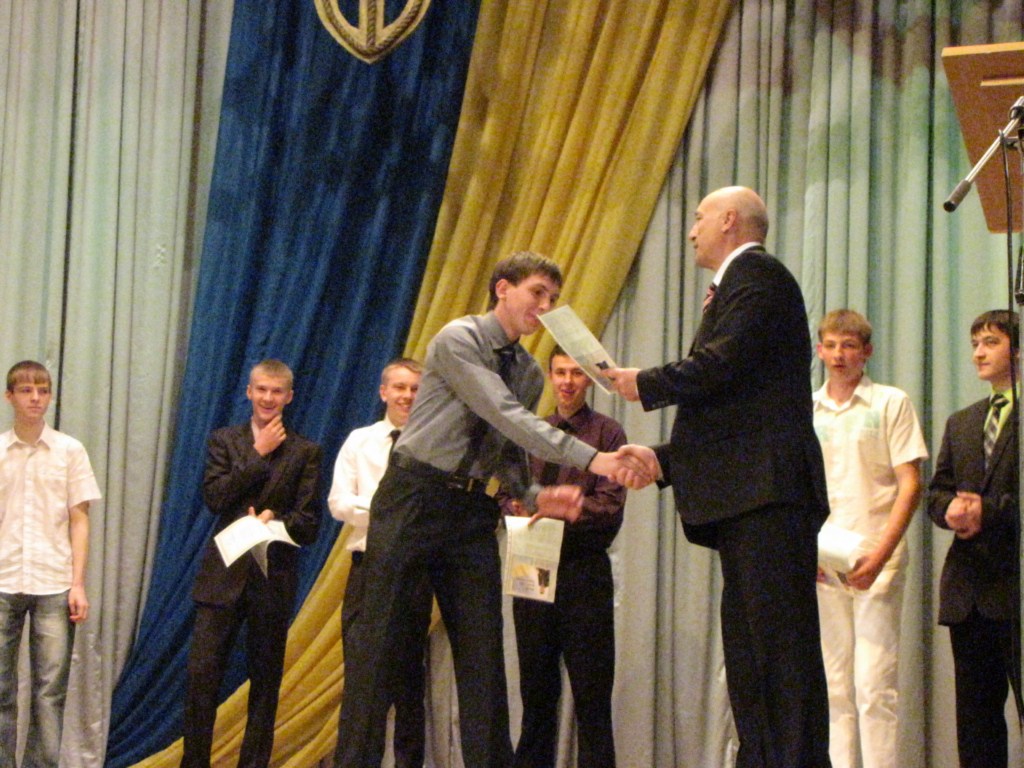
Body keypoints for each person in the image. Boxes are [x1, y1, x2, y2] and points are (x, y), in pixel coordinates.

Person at [334, 251, 655, 768]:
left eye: (553, 298)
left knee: (484, 657)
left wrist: (535, 495)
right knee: (378, 650)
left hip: (470, 511)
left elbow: (505, 450)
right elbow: (503, 413)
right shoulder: (458, 338)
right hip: (413, 496)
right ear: (503, 288)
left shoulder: (527, 371)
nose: (545, 306)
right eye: (537, 293)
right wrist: (595, 459)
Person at [605, 186, 832, 768]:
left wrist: (644, 383)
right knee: (751, 656)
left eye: (699, 218)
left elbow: (721, 365)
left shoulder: (758, 277)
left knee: (780, 654)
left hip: (769, 495)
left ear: (729, 220)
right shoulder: (742, 286)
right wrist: (662, 460)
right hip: (751, 495)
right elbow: (736, 408)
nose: (691, 231)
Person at [182, 359, 321, 768]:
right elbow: (215, 498)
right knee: (201, 679)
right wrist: (258, 455)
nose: (268, 398)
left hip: (272, 578)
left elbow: (308, 523)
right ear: (249, 392)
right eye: (261, 389)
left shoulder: (306, 451)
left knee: (265, 683)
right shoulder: (224, 441)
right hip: (222, 576)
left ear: (289, 397)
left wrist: (274, 522)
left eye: (276, 391)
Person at [498, 346, 627, 768]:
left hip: (583, 569)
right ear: (550, 376)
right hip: (532, 563)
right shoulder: (531, 430)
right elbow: (506, 493)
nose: (568, 382)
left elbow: (610, 506)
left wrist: (558, 509)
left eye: (576, 373)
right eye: (560, 373)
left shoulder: (608, 433)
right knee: (535, 694)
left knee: (592, 696)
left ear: (588, 379)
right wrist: (516, 507)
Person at [812, 310, 927, 768]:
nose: (838, 355)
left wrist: (879, 557)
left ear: (867, 351)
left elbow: (910, 485)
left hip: (878, 559)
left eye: (848, 346)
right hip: (824, 560)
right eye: (830, 345)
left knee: (874, 687)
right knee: (834, 685)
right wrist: (806, 553)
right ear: (819, 351)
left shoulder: (890, 402)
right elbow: (801, 488)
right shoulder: (808, 408)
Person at [928, 309, 1022, 768]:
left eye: (991, 342)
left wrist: (991, 510)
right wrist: (949, 510)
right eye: (975, 344)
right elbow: (936, 492)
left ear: (1018, 351)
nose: (979, 353)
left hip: (1016, 586)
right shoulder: (962, 422)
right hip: (969, 591)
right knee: (976, 721)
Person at [328, 357, 429, 767]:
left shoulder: (432, 444)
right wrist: (390, 511)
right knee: (362, 678)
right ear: (383, 391)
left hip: (413, 571)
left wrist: (378, 510)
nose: (407, 396)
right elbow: (339, 503)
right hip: (368, 568)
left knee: (409, 683)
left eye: (415, 388)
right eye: (399, 387)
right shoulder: (360, 440)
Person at [0, 361, 101, 768]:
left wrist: (78, 584)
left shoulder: (69, 450)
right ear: (10, 397)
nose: (35, 398)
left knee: (49, 693)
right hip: (3, 580)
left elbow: (80, 520)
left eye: (43, 390)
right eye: (26, 390)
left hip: (55, 583)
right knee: (0, 690)